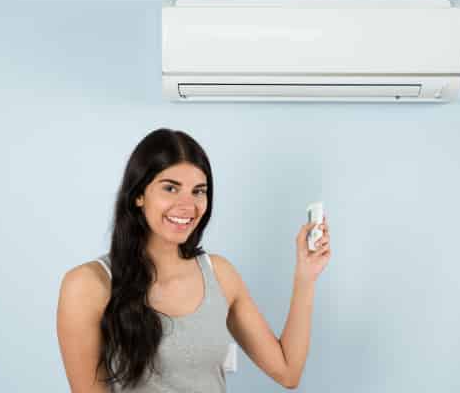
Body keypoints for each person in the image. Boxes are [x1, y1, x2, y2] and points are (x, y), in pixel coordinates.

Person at [57, 128, 331, 392]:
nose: (188, 205)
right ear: (139, 194)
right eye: (170, 188)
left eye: (199, 191)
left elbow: (287, 371)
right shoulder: (87, 285)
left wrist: (305, 276)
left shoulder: (219, 274)